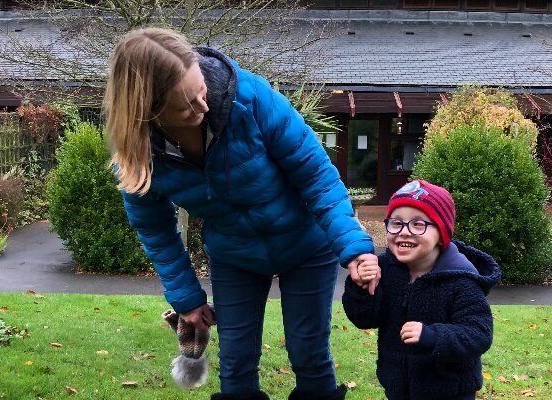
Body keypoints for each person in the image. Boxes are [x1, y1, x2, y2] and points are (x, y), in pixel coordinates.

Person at [104, 27, 379, 400]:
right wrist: (186, 298)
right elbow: (155, 230)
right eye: (186, 106)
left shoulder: (249, 97)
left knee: (309, 352)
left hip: (305, 242)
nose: (204, 107)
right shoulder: (138, 152)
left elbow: (316, 175)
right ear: (150, 111)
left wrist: (354, 245)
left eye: (200, 90)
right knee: (235, 362)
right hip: (235, 254)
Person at [343, 180, 501, 400]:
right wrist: (360, 287)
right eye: (396, 223)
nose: (404, 232)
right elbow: (365, 318)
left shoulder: (460, 279)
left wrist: (433, 336)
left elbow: (478, 334)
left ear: (441, 234)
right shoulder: (387, 269)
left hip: (450, 391)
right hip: (398, 387)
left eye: (418, 224)